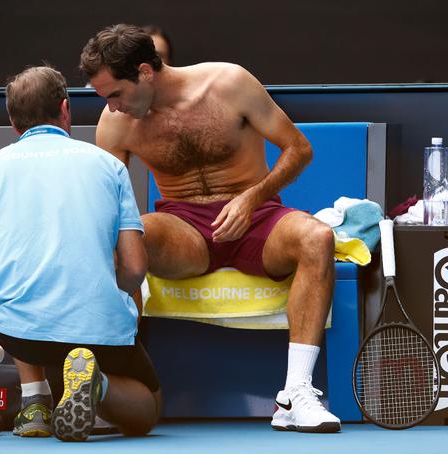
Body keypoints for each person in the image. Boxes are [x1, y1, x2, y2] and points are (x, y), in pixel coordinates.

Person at [80, 24, 341, 433]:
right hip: (184, 230)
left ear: (145, 72)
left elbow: (299, 149)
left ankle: (296, 394)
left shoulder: (229, 83)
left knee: (318, 237)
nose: (111, 107)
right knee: (125, 242)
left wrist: (251, 198)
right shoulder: (116, 124)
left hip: (256, 218)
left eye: (115, 94)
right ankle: (119, 389)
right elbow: (105, 206)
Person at [0, 65, 161, 441]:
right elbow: (135, 267)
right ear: (65, 109)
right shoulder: (109, 167)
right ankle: (98, 384)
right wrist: (113, 295)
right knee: (148, 411)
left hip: (21, 335)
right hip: (99, 329)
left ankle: (35, 402)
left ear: (13, 122)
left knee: (16, 290)